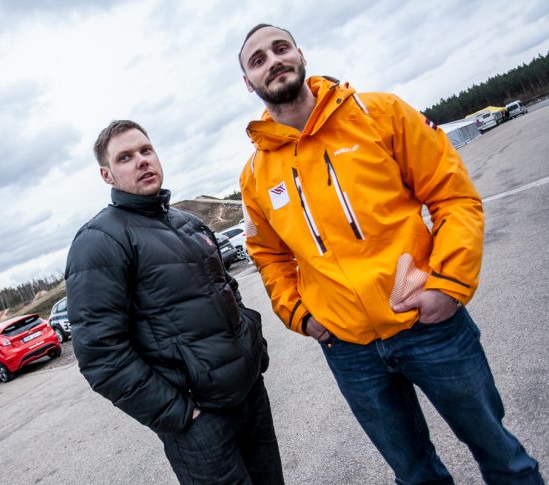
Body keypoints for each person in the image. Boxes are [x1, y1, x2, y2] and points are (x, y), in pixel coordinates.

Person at [237, 24, 543, 485]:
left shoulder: (379, 113)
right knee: (415, 475)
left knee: (503, 458)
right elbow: (268, 256)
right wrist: (301, 315)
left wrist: (448, 285)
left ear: (301, 55)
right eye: (258, 59)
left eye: (280, 49)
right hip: (349, 350)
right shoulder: (256, 174)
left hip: (431, 326)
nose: (273, 61)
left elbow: (453, 197)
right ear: (249, 82)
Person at [65, 120, 284, 484]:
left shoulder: (189, 223)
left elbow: (228, 287)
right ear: (107, 175)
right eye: (125, 157)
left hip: (250, 396)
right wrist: (180, 414)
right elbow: (100, 353)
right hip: (200, 426)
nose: (141, 161)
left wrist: (254, 348)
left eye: (145, 150)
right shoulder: (100, 240)